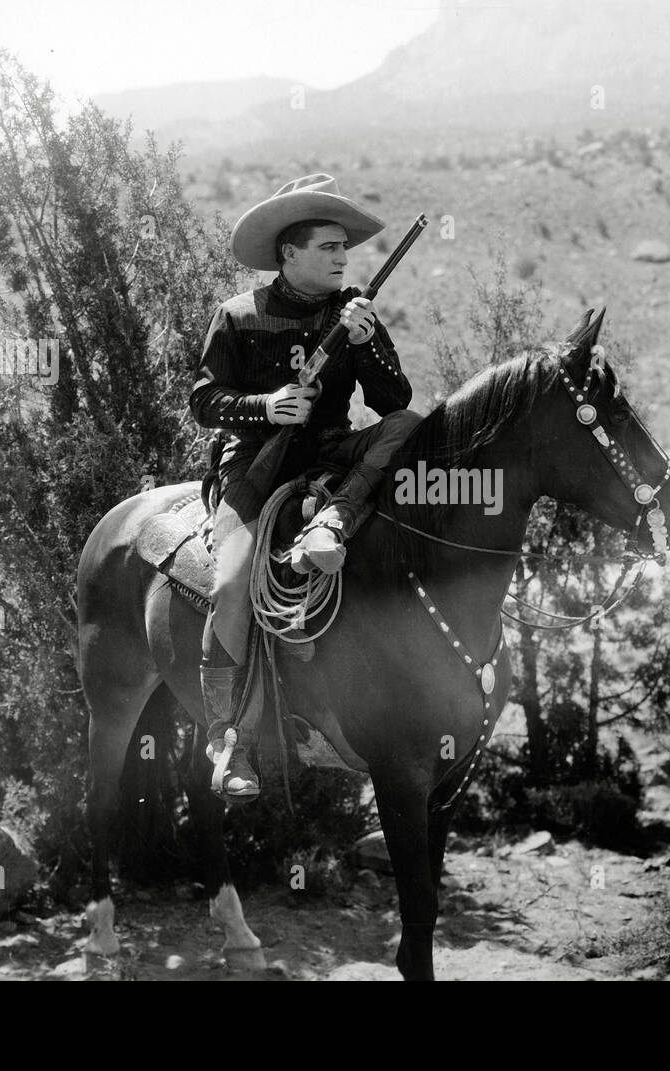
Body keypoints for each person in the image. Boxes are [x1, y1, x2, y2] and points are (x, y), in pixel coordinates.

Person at [190, 174, 419, 800]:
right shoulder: (236, 316)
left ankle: (335, 521)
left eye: (345, 246)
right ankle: (227, 739)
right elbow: (203, 402)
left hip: (333, 457)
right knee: (233, 584)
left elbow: (392, 403)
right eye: (327, 246)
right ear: (289, 253)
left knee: (409, 427)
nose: (343, 257)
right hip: (255, 465)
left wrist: (368, 345)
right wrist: (267, 407)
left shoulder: (356, 318)